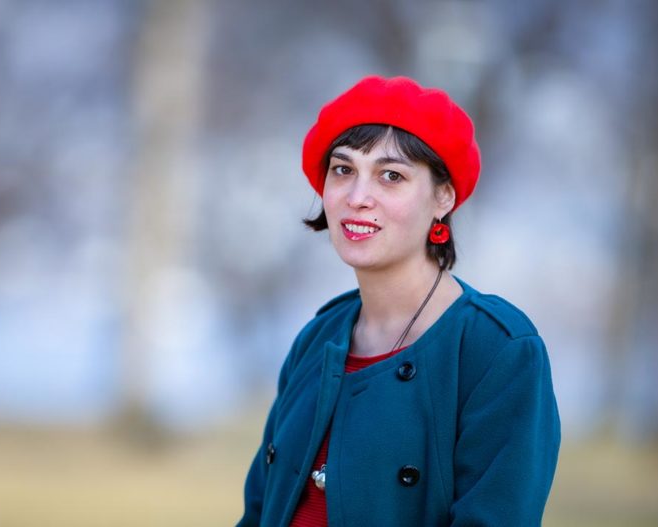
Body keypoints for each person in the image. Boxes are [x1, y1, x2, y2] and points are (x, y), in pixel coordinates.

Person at [236, 75, 560, 527]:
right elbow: (257, 512)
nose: (357, 197)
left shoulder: (497, 350)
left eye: (391, 176)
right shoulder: (317, 339)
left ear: (443, 197)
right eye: (343, 170)